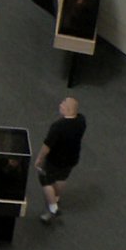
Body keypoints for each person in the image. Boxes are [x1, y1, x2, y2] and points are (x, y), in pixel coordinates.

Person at [35, 96, 87, 224]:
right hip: (71, 159)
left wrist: (39, 159)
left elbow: (47, 146)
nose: (60, 105)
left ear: (68, 109)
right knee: (62, 178)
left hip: (55, 160)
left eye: (63, 104)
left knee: (45, 180)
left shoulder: (58, 127)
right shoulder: (81, 120)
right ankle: (57, 197)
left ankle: (53, 207)